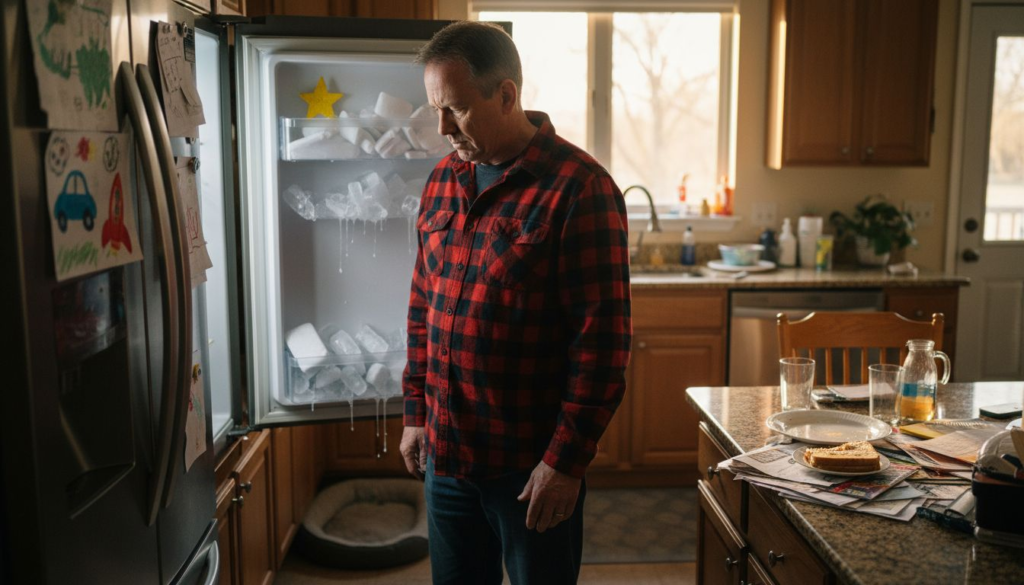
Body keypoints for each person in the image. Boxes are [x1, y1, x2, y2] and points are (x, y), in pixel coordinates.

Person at [399, 21, 632, 585]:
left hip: (531, 468)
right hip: (448, 457)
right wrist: (414, 413)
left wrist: (565, 464)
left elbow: (601, 345)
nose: (441, 127)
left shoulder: (580, 188)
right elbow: (423, 306)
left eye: (455, 109)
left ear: (506, 95)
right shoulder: (441, 181)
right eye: (435, 109)